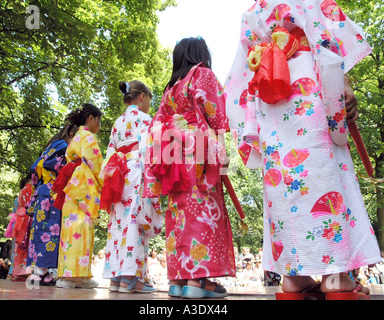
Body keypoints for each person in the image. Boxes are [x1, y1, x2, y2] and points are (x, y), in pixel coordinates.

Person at [224, 0, 382, 299]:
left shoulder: (252, 13)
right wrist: (342, 84)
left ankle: (292, 280)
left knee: (282, 181)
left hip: (268, 92)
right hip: (306, 81)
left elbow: (241, 71)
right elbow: (324, 35)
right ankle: (336, 278)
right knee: (322, 170)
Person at [143, 37, 236, 298]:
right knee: (202, 213)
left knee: (181, 216)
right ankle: (199, 283)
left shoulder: (170, 88)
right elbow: (217, 115)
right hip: (198, 155)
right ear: (200, 54)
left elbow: (158, 124)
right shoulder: (202, 74)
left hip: (173, 158)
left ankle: (179, 280)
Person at [101, 81, 162, 293]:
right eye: (149, 100)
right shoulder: (145, 119)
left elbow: (109, 154)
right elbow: (152, 149)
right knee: (135, 219)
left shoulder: (117, 122)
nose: (149, 105)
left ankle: (116, 278)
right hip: (137, 169)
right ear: (142, 97)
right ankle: (131, 279)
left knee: (118, 222)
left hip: (118, 175)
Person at [53, 103, 104, 289]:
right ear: (91, 119)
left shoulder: (75, 137)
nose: (99, 126)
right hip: (83, 186)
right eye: (99, 121)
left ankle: (65, 276)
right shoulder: (88, 136)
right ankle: (76, 277)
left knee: (69, 229)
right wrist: (106, 182)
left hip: (72, 186)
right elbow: (96, 164)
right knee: (81, 229)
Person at [26, 122, 79, 286]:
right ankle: (41, 272)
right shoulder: (62, 146)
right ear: (71, 135)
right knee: (49, 232)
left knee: (41, 231)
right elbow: (55, 165)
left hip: (42, 191)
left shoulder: (51, 145)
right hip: (51, 192)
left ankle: (42, 272)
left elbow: (35, 169)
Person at [11, 175, 33, 281]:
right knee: (23, 246)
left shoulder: (23, 190)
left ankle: (18, 272)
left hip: (20, 220)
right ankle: (21, 272)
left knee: (19, 246)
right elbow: (29, 205)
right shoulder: (28, 189)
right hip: (25, 220)